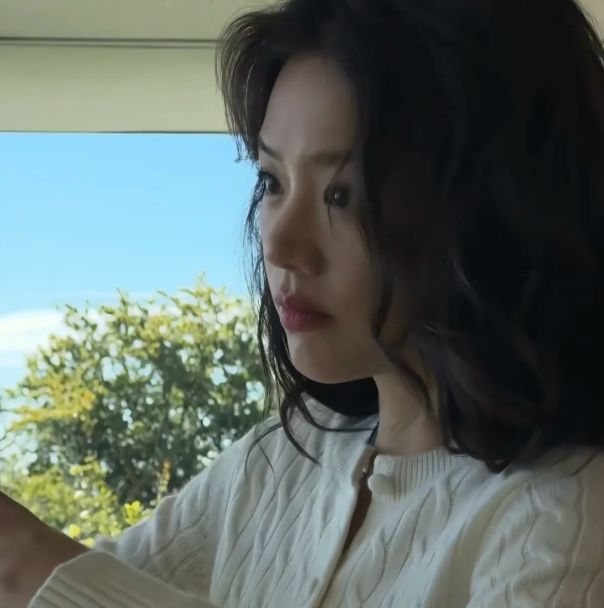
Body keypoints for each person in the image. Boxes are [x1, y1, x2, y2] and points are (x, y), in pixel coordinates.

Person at [1, 0, 604, 606]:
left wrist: (32, 563)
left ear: (495, 213)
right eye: (272, 181)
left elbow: (68, 587)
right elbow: (94, 582)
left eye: (342, 195)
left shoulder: (566, 518)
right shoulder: (284, 456)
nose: (280, 244)